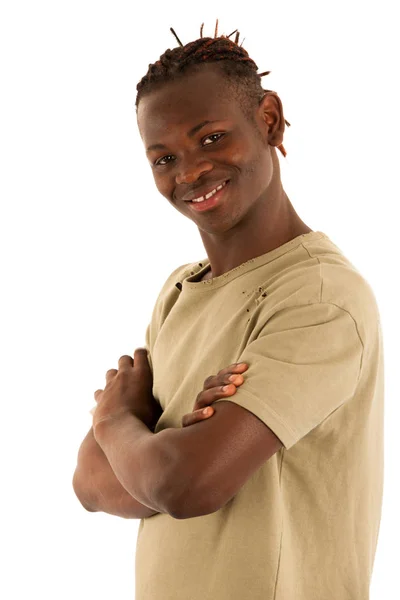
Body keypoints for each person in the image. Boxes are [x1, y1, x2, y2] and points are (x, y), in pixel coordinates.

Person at [72, 21, 384, 600]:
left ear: (267, 120)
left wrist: (118, 424)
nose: (188, 172)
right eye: (163, 157)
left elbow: (189, 485)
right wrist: (162, 458)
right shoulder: (179, 292)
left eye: (211, 138)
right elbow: (90, 482)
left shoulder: (317, 296)